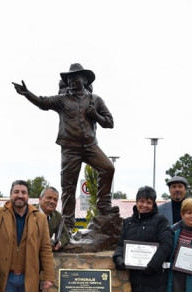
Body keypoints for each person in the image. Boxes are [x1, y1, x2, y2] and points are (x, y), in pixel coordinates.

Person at [13, 63, 118, 229]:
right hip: (70, 149)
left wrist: (95, 115)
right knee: (68, 187)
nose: (70, 81)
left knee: (108, 168)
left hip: (91, 146)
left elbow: (109, 122)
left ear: (83, 79)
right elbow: (42, 102)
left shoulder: (95, 100)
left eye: (74, 78)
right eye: (68, 78)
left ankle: (104, 207)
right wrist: (27, 93)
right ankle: (68, 226)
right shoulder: (62, 100)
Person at [158, 176, 189, 292]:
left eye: (180, 187)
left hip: (188, 265)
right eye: (174, 187)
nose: (177, 189)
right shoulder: (160, 210)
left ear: (185, 189)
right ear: (169, 190)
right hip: (166, 264)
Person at [38, 186, 71, 251]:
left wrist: (59, 243)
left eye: (55, 200)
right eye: (49, 198)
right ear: (40, 199)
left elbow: (65, 235)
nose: (52, 201)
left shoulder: (57, 216)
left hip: (46, 254)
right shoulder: (30, 212)